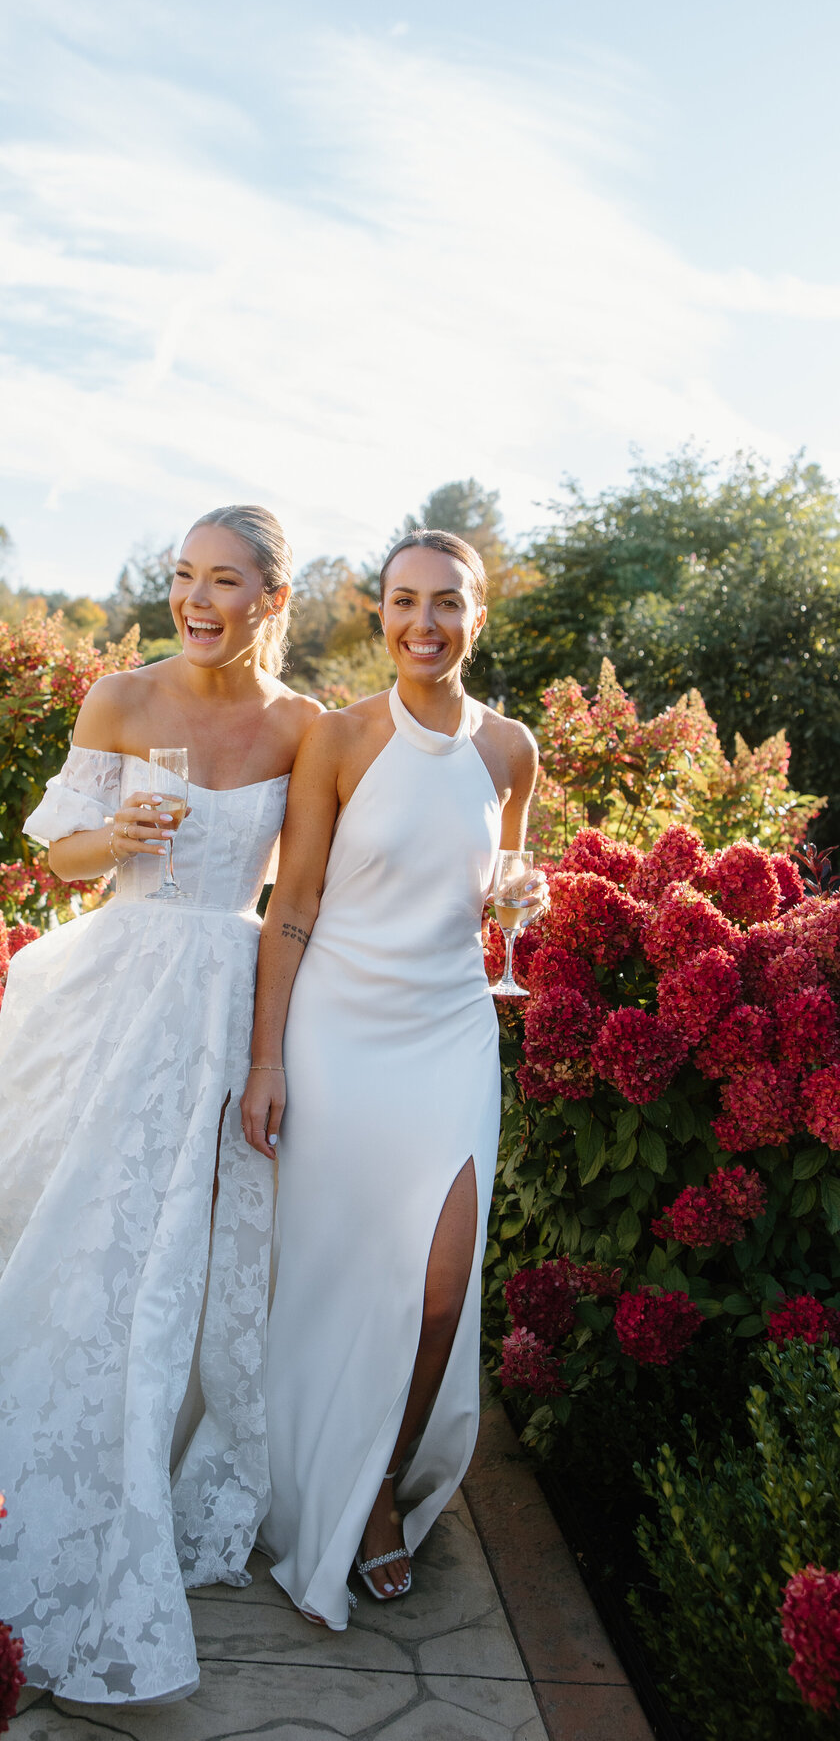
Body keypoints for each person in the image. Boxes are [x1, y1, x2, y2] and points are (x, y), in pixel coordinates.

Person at [0, 505, 320, 1703]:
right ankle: (29, 1464)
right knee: (76, 1225)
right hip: (114, 983)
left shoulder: (306, 730)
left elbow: (305, 896)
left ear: (271, 600)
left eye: (225, 581)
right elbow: (60, 860)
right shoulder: (121, 701)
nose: (196, 598)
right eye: (183, 575)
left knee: (176, 1242)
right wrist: (114, 836)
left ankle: (154, 1467)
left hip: (223, 1003)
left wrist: (280, 1046)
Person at [240, 529, 540, 1628]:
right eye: (404, 601)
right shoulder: (340, 738)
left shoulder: (511, 750)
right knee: (335, 1274)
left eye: (447, 602)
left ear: (478, 616)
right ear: (378, 614)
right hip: (336, 1032)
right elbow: (294, 907)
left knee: (440, 1288)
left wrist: (520, 911)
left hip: (452, 1030)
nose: (425, 622)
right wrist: (267, 1059)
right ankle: (326, 1474)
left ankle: (378, 1480)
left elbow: (501, 891)